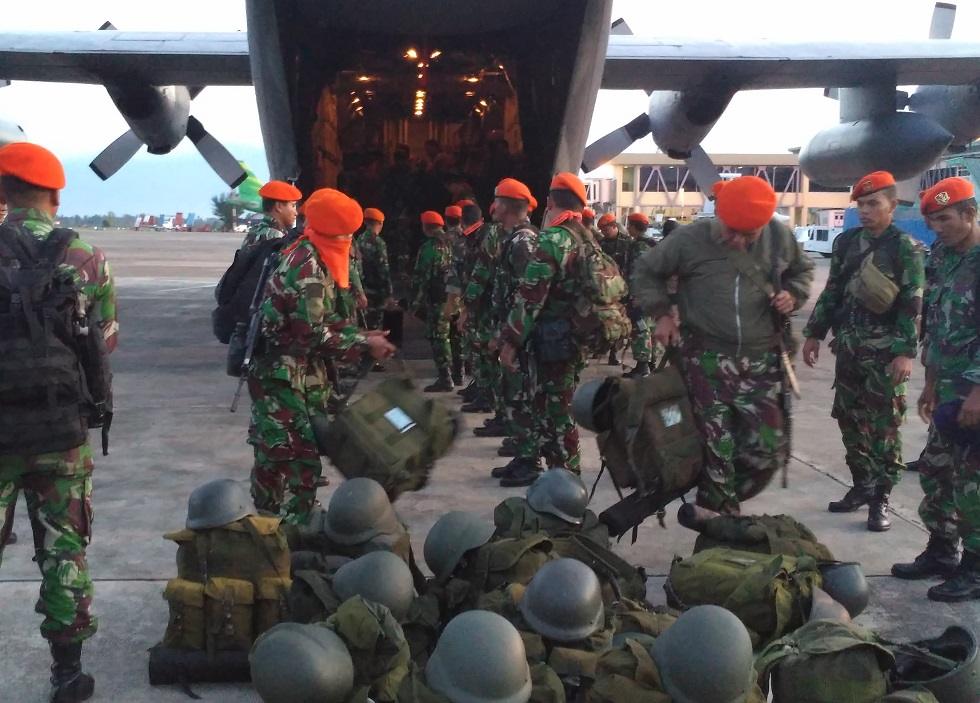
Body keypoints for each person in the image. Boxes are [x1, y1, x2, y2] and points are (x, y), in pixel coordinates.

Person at [0, 142, 118, 702]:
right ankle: (67, 674)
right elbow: (105, 340)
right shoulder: (86, 256)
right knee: (64, 551)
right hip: (61, 432)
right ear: (55, 194)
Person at [632, 175, 814, 515]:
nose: (738, 240)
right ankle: (717, 515)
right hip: (706, 359)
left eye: (749, 235)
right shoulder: (689, 239)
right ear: (719, 214)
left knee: (767, 449)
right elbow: (646, 271)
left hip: (762, 362)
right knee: (718, 449)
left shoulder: (779, 237)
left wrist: (793, 294)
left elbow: (802, 272)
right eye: (732, 231)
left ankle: (719, 500)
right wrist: (661, 313)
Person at [248, 188, 395, 525]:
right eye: (345, 234)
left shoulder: (316, 254)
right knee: (300, 461)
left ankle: (267, 519)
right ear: (331, 233)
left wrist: (363, 335)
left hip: (300, 372)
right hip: (281, 375)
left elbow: (325, 320)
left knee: (275, 453)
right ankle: (292, 531)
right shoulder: (307, 267)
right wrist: (364, 345)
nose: (349, 241)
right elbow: (311, 333)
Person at [802, 170, 925, 532]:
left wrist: (905, 352)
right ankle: (862, 484)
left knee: (885, 427)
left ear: (892, 205)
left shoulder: (905, 247)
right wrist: (814, 333)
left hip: (886, 356)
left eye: (874, 203)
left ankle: (881, 497)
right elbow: (833, 291)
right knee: (849, 420)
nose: (866, 210)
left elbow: (912, 303)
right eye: (862, 204)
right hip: (850, 349)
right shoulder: (846, 243)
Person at [892, 177, 980, 601]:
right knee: (936, 470)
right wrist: (929, 382)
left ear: (970, 214)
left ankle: (975, 569)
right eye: (931, 221)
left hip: (974, 393)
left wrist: (978, 392)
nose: (936, 228)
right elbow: (936, 323)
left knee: (972, 482)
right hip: (945, 387)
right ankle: (942, 550)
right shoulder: (944, 256)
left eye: (944, 219)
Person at [497, 173, 596, 484]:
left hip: (553, 342)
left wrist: (510, 341)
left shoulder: (553, 239)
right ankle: (560, 477)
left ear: (551, 201)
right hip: (575, 337)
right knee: (556, 408)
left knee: (555, 413)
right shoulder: (586, 237)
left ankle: (566, 480)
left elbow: (531, 297)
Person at [412, 211, 455, 392]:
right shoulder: (452, 243)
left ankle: (446, 377)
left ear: (425, 227)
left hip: (437, 299)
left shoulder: (429, 248)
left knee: (438, 338)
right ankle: (457, 373)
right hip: (452, 297)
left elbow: (421, 277)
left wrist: (415, 302)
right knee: (451, 336)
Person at [622, 212, 656, 378]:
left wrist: (634, 296)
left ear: (635, 227)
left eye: (629, 225)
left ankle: (642, 366)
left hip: (641, 295)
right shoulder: (651, 243)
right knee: (649, 327)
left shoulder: (640, 246)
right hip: (652, 293)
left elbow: (638, 273)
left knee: (640, 328)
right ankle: (651, 362)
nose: (628, 228)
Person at [598, 214, 631, 368]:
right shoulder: (600, 243)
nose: (604, 232)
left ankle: (614, 352)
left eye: (606, 229)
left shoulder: (627, 242)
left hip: (620, 287)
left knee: (620, 321)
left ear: (614, 226)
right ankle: (603, 347)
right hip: (604, 287)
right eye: (602, 230)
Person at [355, 207, 394, 332]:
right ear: (380, 223)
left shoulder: (359, 239)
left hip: (362, 288)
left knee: (363, 324)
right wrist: (389, 293)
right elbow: (384, 270)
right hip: (377, 291)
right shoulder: (379, 243)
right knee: (374, 325)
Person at [240, 180, 302, 249]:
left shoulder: (253, 231)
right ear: (278, 207)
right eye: (293, 205)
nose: (296, 213)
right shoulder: (276, 236)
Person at [443, 205, 466, 386]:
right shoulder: (467, 237)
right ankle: (463, 369)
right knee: (462, 332)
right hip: (465, 292)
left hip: (451, 290)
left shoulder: (445, 239)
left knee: (449, 332)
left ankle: (454, 371)